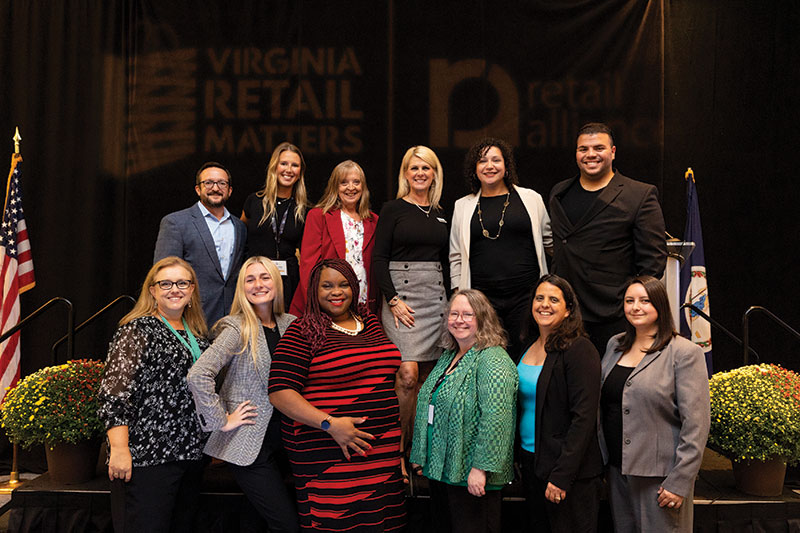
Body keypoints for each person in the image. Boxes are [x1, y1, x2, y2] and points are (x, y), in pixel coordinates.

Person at [268, 258, 406, 531]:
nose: (336, 292)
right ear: (314, 290)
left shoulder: (370, 321)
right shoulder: (303, 331)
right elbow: (280, 392)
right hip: (330, 455)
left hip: (381, 454)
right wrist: (330, 424)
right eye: (327, 286)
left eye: (344, 284)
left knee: (381, 523)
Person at [187, 256, 299, 532]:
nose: (258, 284)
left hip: (288, 441)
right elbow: (198, 374)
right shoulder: (236, 327)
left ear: (276, 282)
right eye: (250, 279)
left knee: (259, 521)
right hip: (251, 445)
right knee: (287, 526)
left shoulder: (291, 324)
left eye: (265, 277)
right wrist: (221, 420)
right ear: (242, 288)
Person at [98, 256, 210, 532]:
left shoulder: (198, 335)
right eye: (166, 284)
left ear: (192, 289)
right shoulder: (137, 330)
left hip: (190, 456)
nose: (175, 289)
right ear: (152, 291)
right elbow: (115, 393)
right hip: (147, 457)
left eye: (182, 283)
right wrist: (120, 449)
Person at [599, 276, 710, 532]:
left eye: (645, 301)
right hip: (617, 470)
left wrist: (680, 481)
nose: (636, 307)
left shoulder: (683, 352)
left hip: (661, 479)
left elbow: (696, 424)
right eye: (630, 301)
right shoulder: (615, 345)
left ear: (660, 304)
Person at [549, 123, 667, 355]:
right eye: (583, 149)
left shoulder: (639, 195)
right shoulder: (559, 192)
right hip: (566, 311)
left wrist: (631, 302)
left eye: (598, 148)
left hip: (612, 314)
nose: (590, 154)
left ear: (613, 152)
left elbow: (653, 261)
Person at [410, 289, 518, 533]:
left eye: (468, 314)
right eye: (454, 314)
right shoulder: (449, 355)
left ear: (483, 319)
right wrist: (422, 454)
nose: (459, 320)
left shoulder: (493, 358)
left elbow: (496, 418)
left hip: (473, 477)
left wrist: (480, 469)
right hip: (444, 473)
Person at [372, 145, 450, 482]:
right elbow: (378, 258)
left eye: (426, 168)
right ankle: (397, 452)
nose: (420, 173)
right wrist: (392, 300)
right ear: (405, 173)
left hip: (435, 300)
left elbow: (447, 261)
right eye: (414, 168)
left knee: (428, 380)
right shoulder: (393, 209)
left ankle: (420, 451)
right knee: (406, 375)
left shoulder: (441, 212)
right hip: (402, 299)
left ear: (434, 174)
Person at [450, 138, 551, 362]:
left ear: (506, 167)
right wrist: (460, 295)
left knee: (526, 356)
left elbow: (549, 243)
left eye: (496, 160)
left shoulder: (531, 199)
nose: (490, 166)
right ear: (474, 169)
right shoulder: (462, 206)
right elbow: (455, 255)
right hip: (483, 300)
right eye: (482, 161)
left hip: (526, 296)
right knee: (488, 360)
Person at [517, 274, 603, 532]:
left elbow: (584, 418)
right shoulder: (528, 345)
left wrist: (562, 475)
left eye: (554, 300)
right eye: (539, 298)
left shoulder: (579, 349)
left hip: (566, 471)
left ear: (568, 310)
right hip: (532, 462)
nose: (544, 304)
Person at [154, 162, 247, 325]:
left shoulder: (239, 226)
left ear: (230, 190)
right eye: (209, 183)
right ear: (198, 189)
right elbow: (163, 275)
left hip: (233, 317)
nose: (215, 188)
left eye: (222, 183)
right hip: (190, 317)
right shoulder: (176, 222)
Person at [289, 160, 378, 316]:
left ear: (363, 187)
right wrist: (314, 305)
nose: (351, 187)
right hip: (327, 302)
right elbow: (309, 266)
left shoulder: (374, 221)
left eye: (356, 182)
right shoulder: (318, 216)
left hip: (363, 303)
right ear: (335, 187)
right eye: (344, 183)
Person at [241, 142, 309, 311]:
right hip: (255, 279)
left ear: (300, 173)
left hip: (288, 280)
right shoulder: (254, 201)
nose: (289, 169)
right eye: (283, 163)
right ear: (274, 167)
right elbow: (240, 236)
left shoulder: (304, 209)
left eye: (295, 165)